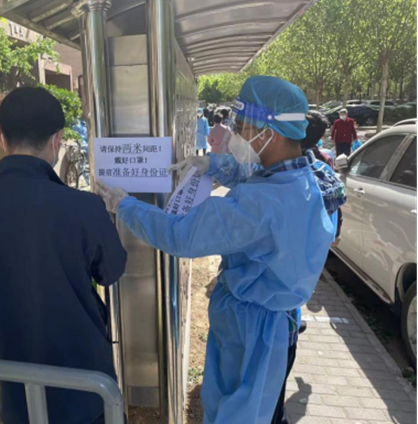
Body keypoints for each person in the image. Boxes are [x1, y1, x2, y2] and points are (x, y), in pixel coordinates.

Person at [96, 76, 346, 424]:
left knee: (236, 414)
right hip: (275, 324)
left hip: (250, 331)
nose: (236, 136)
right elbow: (252, 173)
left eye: (241, 128)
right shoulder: (305, 177)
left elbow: (180, 235)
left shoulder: (259, 204)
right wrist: (211, 165)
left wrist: (125, 205)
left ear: (269, 133)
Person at [0, 87, 127, 424]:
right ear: (57, 140)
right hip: (87, 389)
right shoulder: (83, 207)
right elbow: (111, 270)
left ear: (1, 137)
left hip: (18, 391)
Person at [271, 110, 345, 424]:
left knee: (270, 382)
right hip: (295, 293)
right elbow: (334, 225)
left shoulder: (287, 180)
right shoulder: (323, 171)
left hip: (274, 307)